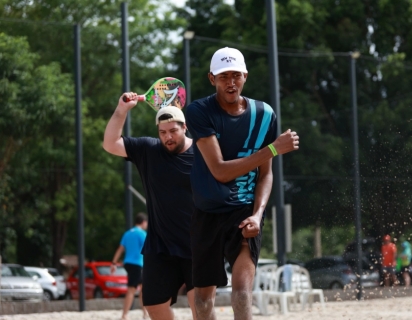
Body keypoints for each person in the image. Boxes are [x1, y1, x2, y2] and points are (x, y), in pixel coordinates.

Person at [185, 47, 299, 320]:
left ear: (245, 76)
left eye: (236, 75)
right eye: (224, 76)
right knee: (201, 302)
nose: (231, 82)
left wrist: (257, 216)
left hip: (244, 211)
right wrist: (273, 149)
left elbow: (265, 175)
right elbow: (220, 171)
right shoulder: (198, 111)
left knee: (242, 294)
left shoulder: (264, 114)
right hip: (207, 211)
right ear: (212, 79)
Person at [103, 100, 197, 320]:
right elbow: (110, 143)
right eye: (162, 132)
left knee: (200, 305)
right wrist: (121, 109)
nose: (168, 137)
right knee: (153, 305)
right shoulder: (149, 149)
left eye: (173, 131)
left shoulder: (204, 151)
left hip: (198, 244)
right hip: (160, 245)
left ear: (185, 127)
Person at [111, 213, 148, 320]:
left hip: (128, 263)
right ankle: (124, 315)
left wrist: (113, 263)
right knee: (132, 289)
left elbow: (120, 249)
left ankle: (145, 313)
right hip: (138, 264)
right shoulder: (142, 234)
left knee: (143, 288)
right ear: (144, 222)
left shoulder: (127, 234)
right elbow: (148, 250)